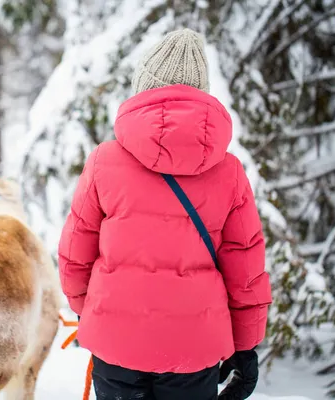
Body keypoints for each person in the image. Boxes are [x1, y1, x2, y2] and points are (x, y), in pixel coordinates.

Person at [58, 28, 272, 400]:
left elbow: (75, 254)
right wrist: (246, 344)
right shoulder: (230, 172)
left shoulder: (103, 161)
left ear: (144, 87)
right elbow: (246, 271)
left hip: (116, 345)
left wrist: (90, 311)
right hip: (195, 349)